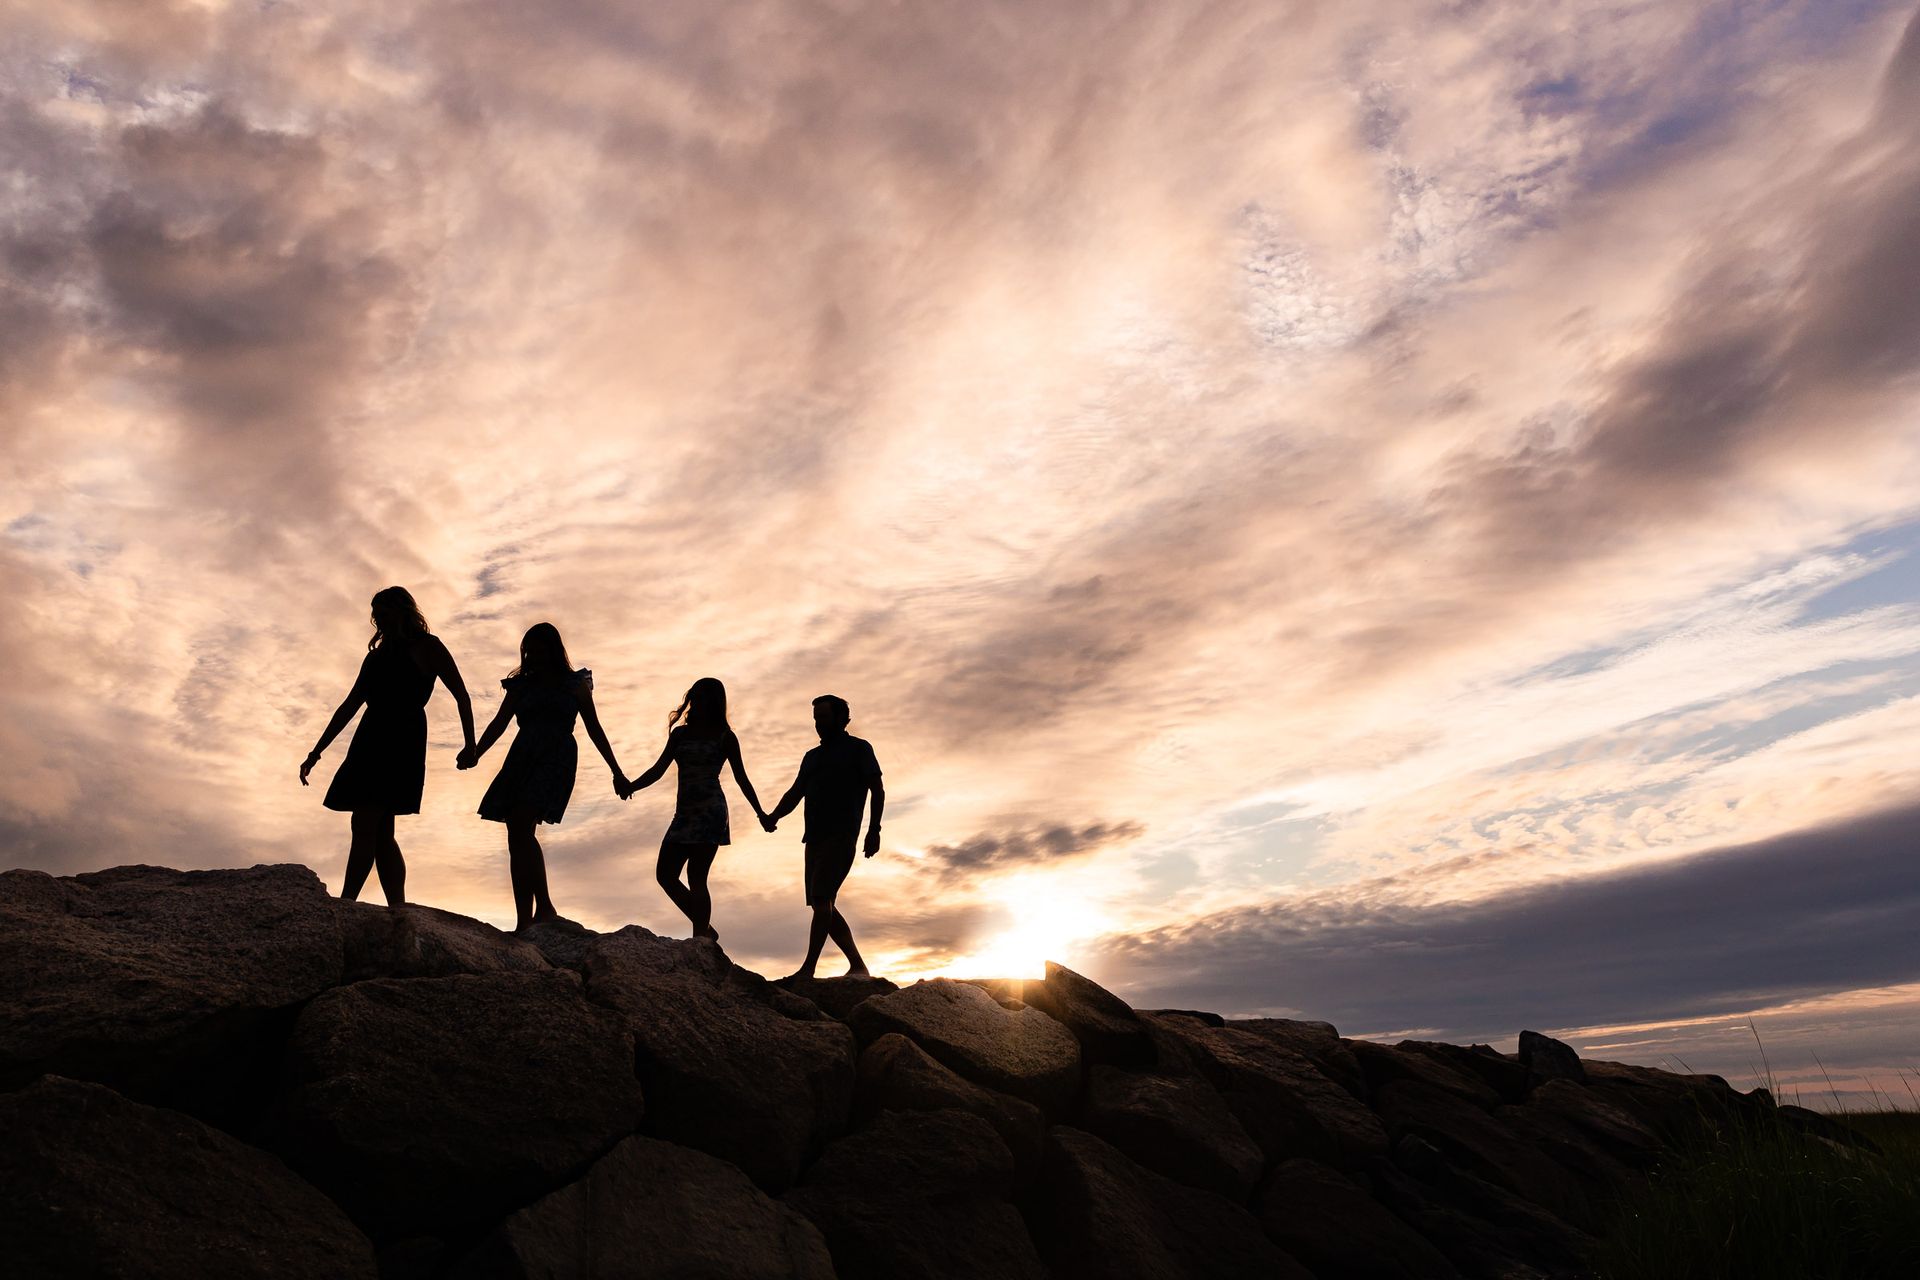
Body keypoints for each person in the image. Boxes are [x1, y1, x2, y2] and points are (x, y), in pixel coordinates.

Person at [300, 586, 476, 906]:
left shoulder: (429, 647)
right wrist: (316, 752)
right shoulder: (376, 657)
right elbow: (350, 704)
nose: (376, 618)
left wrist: (470, 744)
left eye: (382, 611)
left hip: (402, 738)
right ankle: (397, 907)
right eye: (374, 612)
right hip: (370, 737)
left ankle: (347, 904)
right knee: (380, 833)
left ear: (401, 610)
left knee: (365, 822)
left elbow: (461, 695)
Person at [459, 623, 626, 931]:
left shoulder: (575, 684)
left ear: (553, 650)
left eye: (538, 649)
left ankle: (545, 907)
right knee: (516, 832)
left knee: (522, 823)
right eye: (528, 651)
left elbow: (594, 728)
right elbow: (499, 723)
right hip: (523, 755)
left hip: (556, 756)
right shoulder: (521, 686)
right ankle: (525, 919)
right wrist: (476, 752)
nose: (532, 655)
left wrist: (616, 772)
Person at [620, 677, 767, 942]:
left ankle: (700, 935)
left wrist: (760, 813)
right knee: (665, 874)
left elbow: (742, 778)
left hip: (711, 812)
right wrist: (632, 785)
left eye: (701, 697)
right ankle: (705, 929)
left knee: (697, 877)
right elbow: (659, 768)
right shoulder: (680, 734)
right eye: (694, 696)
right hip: (685, 812)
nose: (695, 702)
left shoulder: (725, 737)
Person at [763, 694, 884, 979]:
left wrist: (874, 830)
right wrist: (773, 816)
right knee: (823, 903)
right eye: (816, 719)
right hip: (814, 837)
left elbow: (877, 789)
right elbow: (795, 792)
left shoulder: (859, 749)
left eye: (824, 718)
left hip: (842, 835)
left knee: (821, 900)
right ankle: (858, 965)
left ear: (843, 720)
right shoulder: (812, 757)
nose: (819, 724)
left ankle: (808, 969)